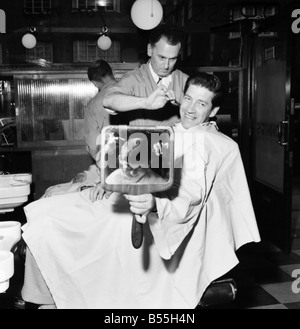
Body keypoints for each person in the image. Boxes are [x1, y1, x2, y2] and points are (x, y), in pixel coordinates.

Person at [20, 72, 260, 309]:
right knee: (48, 208)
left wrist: (156, 204)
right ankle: (47, 295)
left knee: (47, 219)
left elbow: (192, 195)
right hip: (138, 200)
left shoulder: (208, 143)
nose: (190, 108)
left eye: (201, 103)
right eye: (187, 98)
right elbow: (140, 164)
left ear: (214, 111)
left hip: (159, 222)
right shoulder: (179, 131)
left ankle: (46, 298)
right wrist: (109, 182)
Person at [42, 59, 122, 197]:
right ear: (111, 73)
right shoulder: (132, 93)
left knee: (52, 193)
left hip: (112, 169)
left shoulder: (94, 105)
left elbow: (93, 147)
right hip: (139, 165)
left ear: (94, 82)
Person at [103, 24, 189, 127]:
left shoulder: (186, 81)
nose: (166, 66)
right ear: (150, 50)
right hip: (140, 142)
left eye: (172, 59)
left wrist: (182, 106)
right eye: (161, 57)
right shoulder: (134, 78)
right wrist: (146, 103)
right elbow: (109, 100)